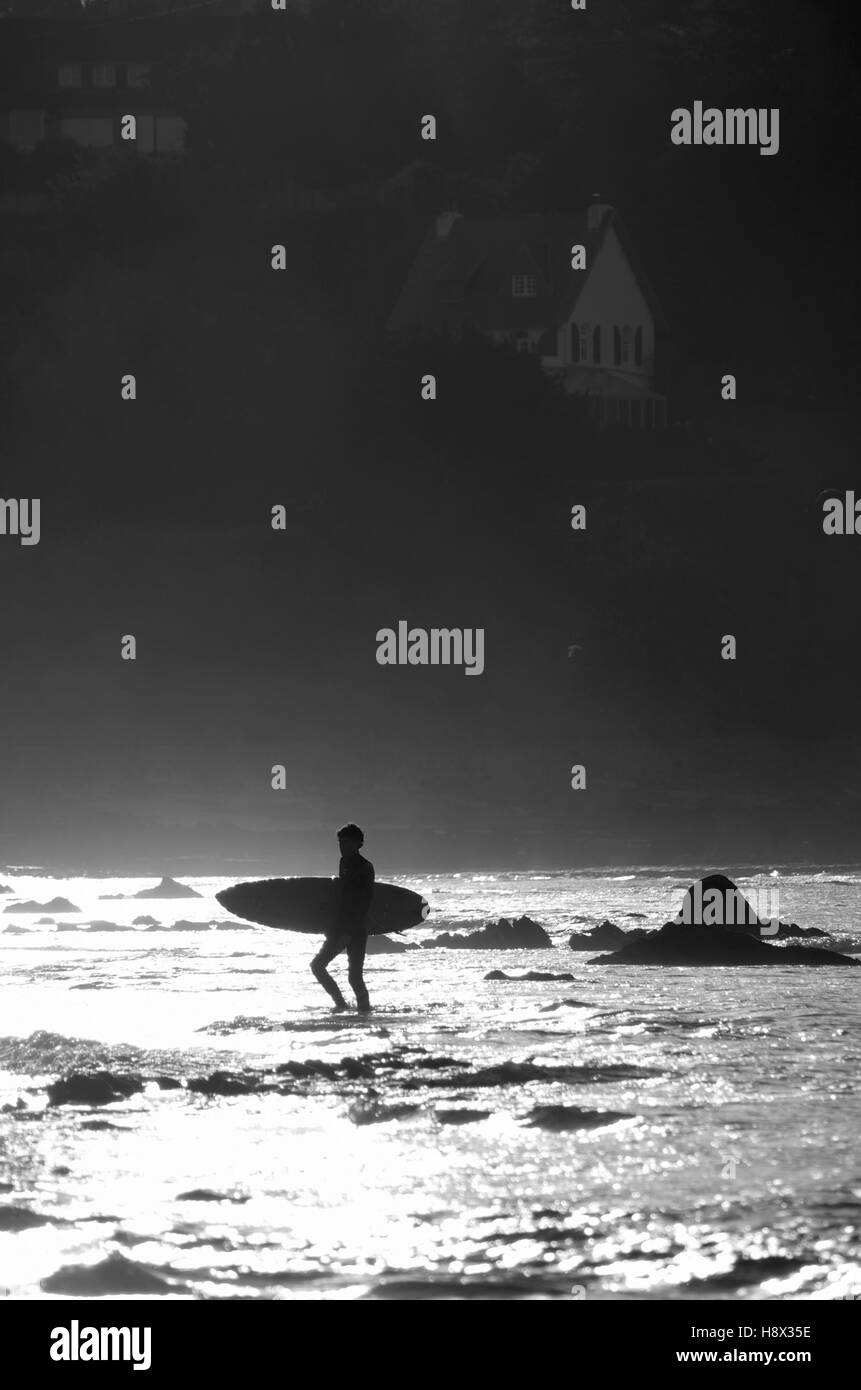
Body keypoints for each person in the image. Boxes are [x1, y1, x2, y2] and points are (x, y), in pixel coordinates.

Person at [310, 823, 375, 1013]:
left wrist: (348, 932)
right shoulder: (343, 862)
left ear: (357, 843)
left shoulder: (365, 867)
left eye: (346, 842)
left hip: (354, 930)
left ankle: (364, 1010)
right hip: (339, 927)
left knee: (353, 977)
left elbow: (361, 904)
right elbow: (342, 898)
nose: (342, 846)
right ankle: (342, 1004)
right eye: (340, 842)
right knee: (318, 966)